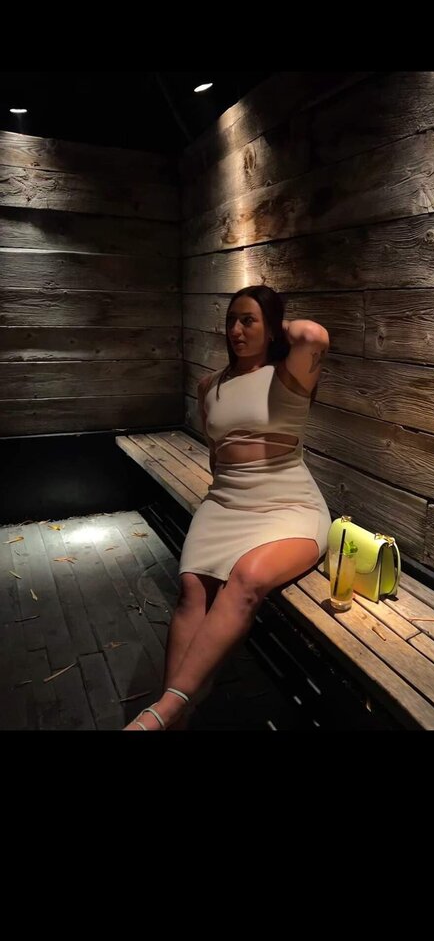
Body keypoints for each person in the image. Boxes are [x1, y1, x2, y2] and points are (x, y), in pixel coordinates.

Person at [124, 285, 331, 730]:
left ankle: (164, 710)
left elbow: (313, 335)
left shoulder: (289, 374)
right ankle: (178, 717)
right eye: (231, 320)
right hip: (226, 500)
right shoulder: (210, 386)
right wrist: (222, 497)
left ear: (271, 327)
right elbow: (218, 457)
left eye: (248, 320)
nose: (236, 329)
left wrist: (275, 324)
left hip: (288, 504)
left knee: (246, 578)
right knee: (191, 589)